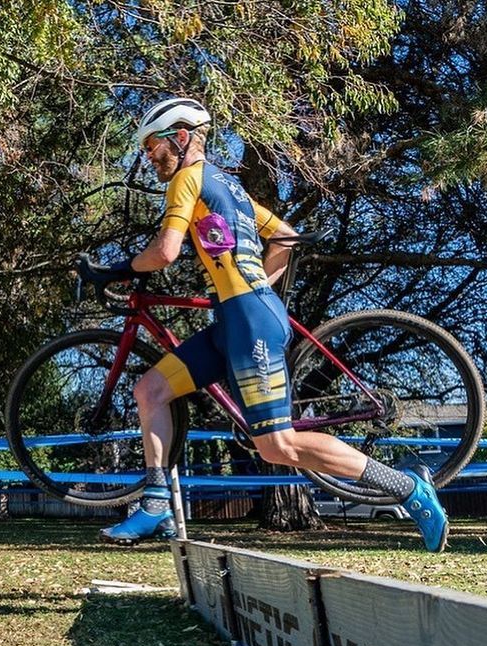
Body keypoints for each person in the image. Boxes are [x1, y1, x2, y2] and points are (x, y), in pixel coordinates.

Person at [97, 97, 448, 552]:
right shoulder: (229, 186)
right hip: (234, 319)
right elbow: (284, 236)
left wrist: (114, 269)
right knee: (150, 391)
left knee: (277, 445)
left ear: (181, 138)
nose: (148, 156)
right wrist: (259, 283)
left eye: (152, 146)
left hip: (249, 321)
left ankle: (406, 488)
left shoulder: (188, 179)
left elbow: (164, 252)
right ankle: (157, 502)